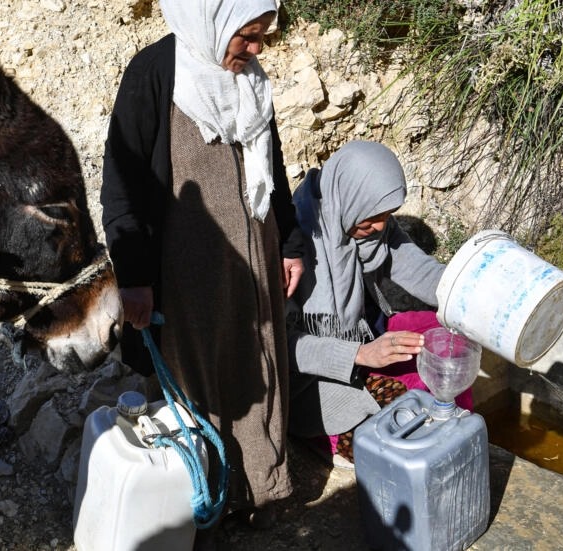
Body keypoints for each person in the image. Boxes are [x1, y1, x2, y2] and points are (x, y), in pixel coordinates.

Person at [99, 0, 305, 535]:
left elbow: (273, 168)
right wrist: (136, 278)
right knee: (202, 376)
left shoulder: (251, 81)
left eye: (261, 37)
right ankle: (206, 497)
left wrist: (290, 242)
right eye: (248, 36)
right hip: (188, 270)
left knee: (260, 361)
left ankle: (262, 485)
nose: (256, 50)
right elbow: (122, 186)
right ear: (212, 20)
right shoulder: (154, 75)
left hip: (256, 253)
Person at [285, 140, 472, 467]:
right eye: (375, 217)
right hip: (307, 382)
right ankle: (325, 437)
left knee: (445, 336)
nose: (381, 226)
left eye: (387, 216)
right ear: (351, 196)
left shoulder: (359, 215)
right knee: (391, 443)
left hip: (359, 348)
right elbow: (280, 346)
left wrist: (465, 294)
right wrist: (359, 354)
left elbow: (414, 265)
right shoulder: (293, 244)